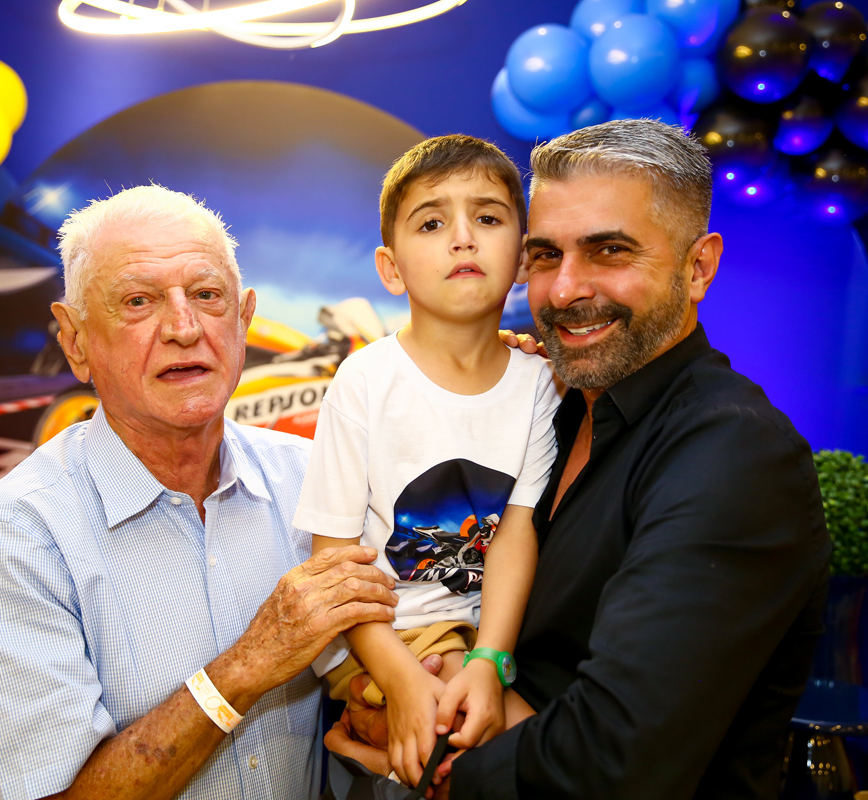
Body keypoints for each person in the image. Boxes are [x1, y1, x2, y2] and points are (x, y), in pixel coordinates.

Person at [329, 119, 831, 799]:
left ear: (698, 267)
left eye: (609, 251)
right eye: (544, 256)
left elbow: (616, 761)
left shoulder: (736, 455)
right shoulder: (553, 409)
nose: (565, 290)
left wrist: (427, 759)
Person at [0, 184, 400, 800]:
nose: (185, 328)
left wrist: (374, 710)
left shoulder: (311, 479)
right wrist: (248, 665)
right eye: (138, 301)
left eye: (207, 296)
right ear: (76, 342)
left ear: (242, 320)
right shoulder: (18, 533)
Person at [294, 135, 561, 788]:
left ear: (523, 256)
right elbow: (335, 564)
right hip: (374, 637)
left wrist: (490, 661)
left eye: (488, 218)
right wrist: (401, 680)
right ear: (391, 269)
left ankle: (388, 754)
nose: (463, 239)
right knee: (502, 749)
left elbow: (515, 533)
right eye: (433, 223)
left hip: (478, 639)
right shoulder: (365, 381)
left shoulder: (540, 385)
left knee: (540, 745)